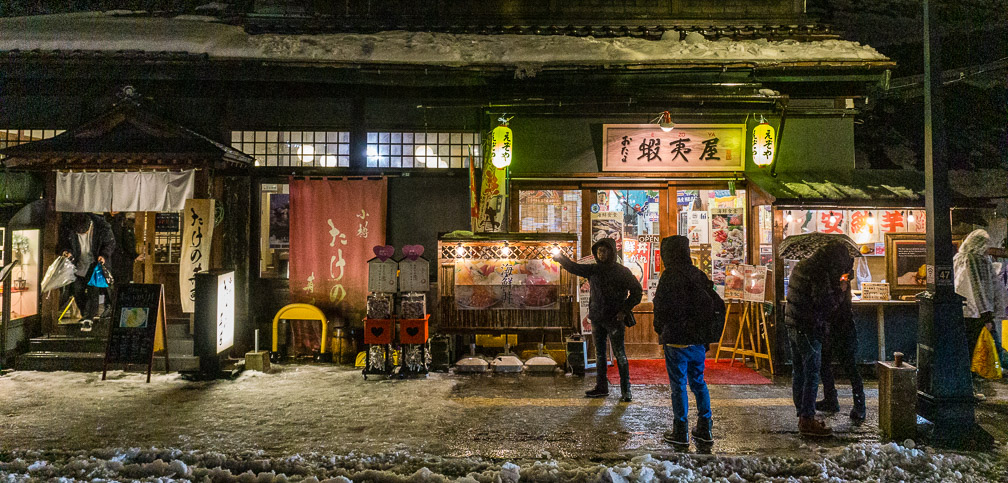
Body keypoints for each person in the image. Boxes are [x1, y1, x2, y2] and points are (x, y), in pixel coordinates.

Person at [653, 235, 723, 450]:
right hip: (698, 342)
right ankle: (705, 427)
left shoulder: (669, 276)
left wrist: (661, 330)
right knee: (699, 382)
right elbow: (715, 304)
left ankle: (680, 430)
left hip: (675, 340)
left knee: (678, 386)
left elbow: (660, 308)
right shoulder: (697, 274)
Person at [554, 237, 642, 402]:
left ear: (611, 252)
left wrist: (624, 310)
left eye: (605, 250)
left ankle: (626, 390)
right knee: (600, 355)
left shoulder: (622, 271)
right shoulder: (593, 269)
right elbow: (574, 267)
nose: (601, 254)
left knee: (620, 354)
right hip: (597, 318)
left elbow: (637, 292)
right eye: (599, 251)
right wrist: (561, 258)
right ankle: (601, 387)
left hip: (615, 319)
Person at [784, 241, 854, 437]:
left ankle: (802, 414)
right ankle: (807, 419)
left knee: (798, 371)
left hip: (793, 323)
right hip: (808, 326)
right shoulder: (819, 271)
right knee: (812, 373)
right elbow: (824, 304)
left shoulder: (802, 265)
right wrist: (840, 289)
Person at [954, 229, 1007, 400]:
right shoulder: (977, 260)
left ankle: (967, 388)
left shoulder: (959, 258)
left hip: (962, 312)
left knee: (969, 352)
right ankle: (971, 390)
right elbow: (980, 289)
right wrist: (987, 316)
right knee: (991, 349)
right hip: (978, 315)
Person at [816, 267, 867, 423]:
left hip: (842, 327)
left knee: (849, 366)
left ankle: (860, 405)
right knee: (824, 364)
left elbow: (836, 302)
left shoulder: (842, 277)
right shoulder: (831, 275)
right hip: (831, 327)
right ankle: (831, 399)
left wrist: (840, 288)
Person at [58, 212, 115, 324]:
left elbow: (110, 243)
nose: (82, 234)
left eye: (84, 232)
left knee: (93, 291)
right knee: (77, 290)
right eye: (79, 233)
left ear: (90, 225)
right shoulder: (69, 228)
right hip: (77, 263)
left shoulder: (101, 226)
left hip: (94, 263)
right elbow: (63, 244)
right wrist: (66, 252)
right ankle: (85, 314)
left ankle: (90, 317)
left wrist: (103, 255)